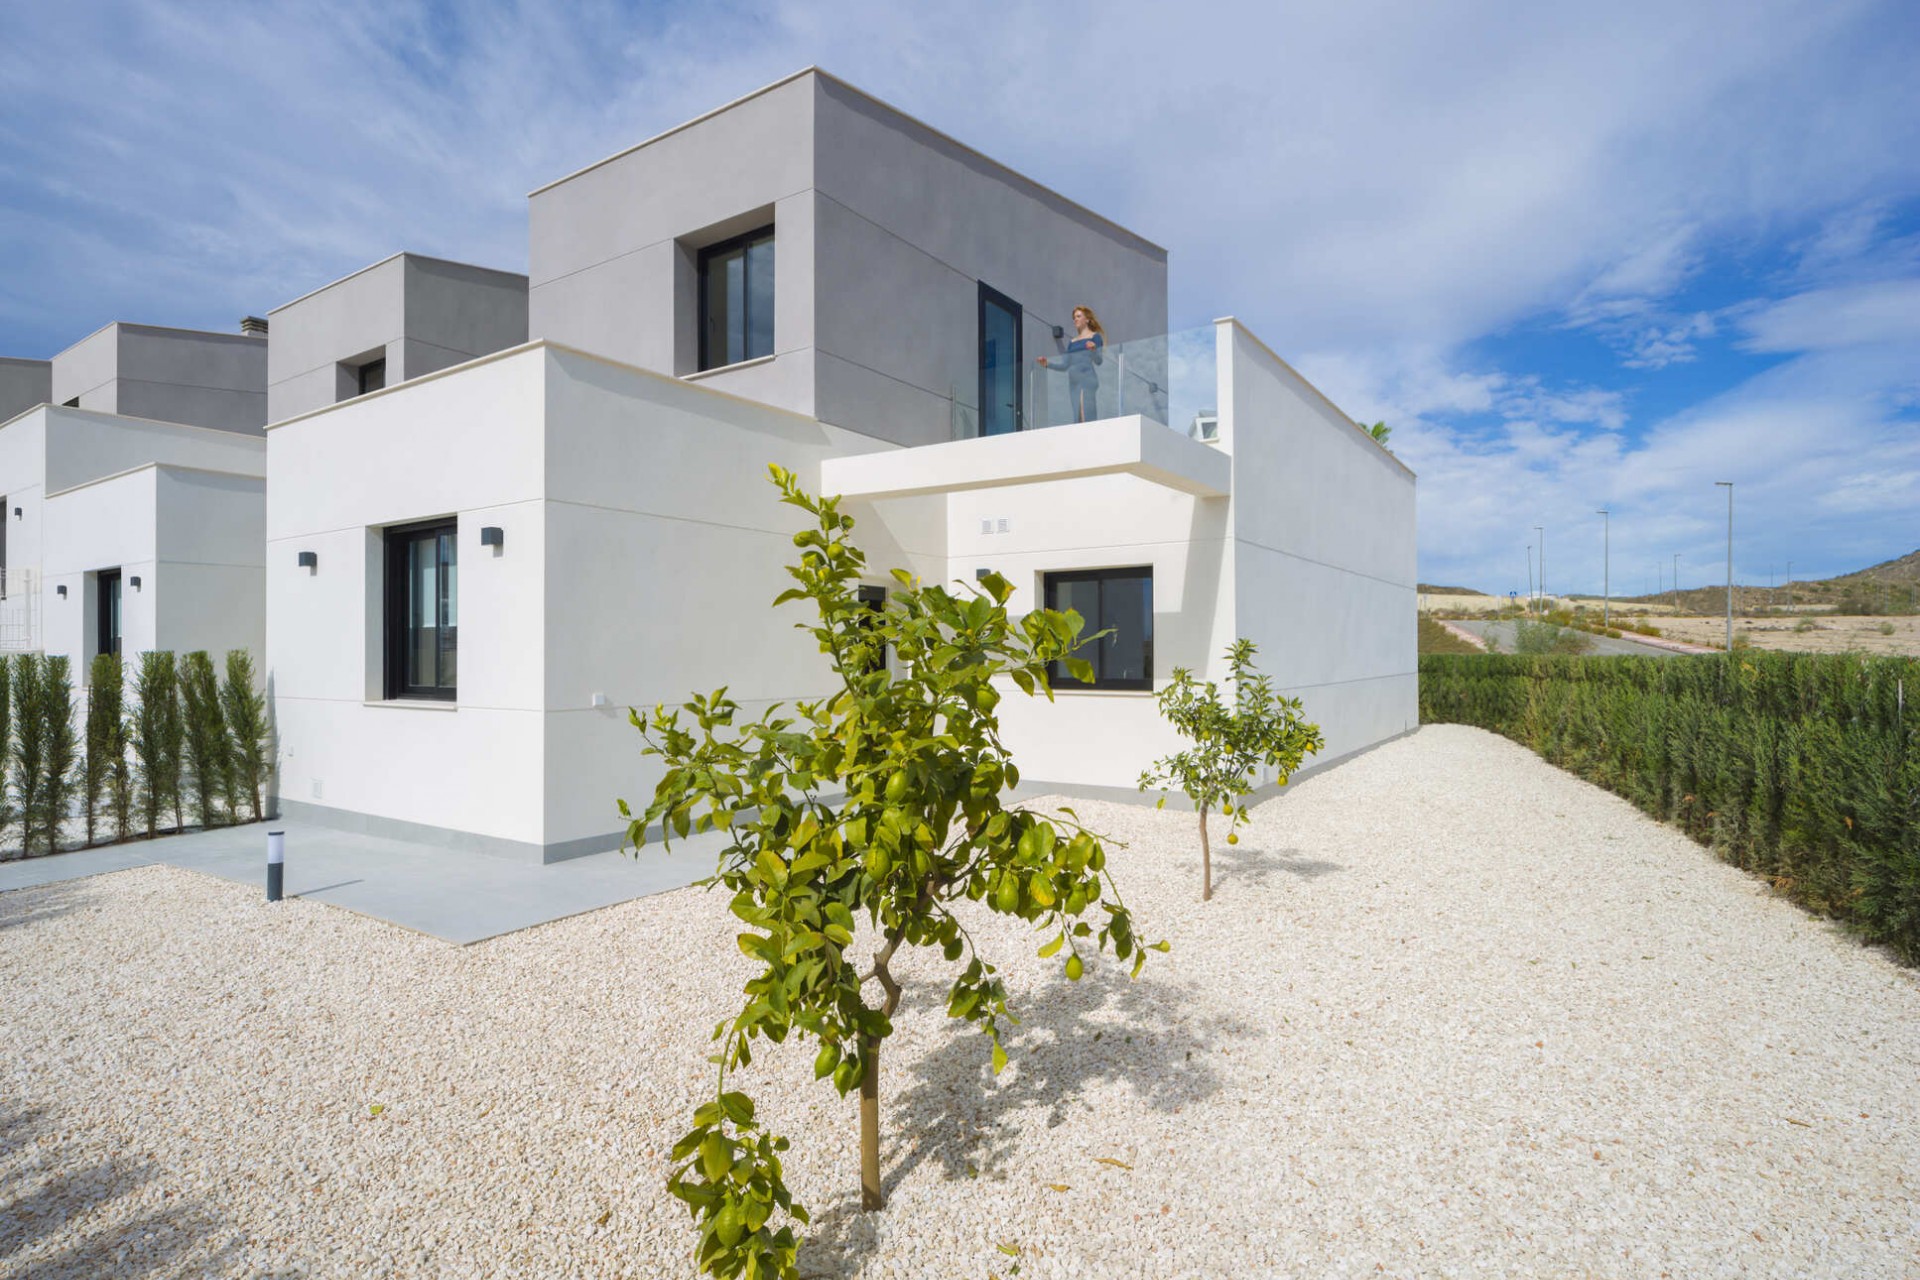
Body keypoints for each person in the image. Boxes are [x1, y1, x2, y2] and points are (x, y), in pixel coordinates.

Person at [1037, 305, 1106, 423]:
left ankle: (1090, 438)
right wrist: (1048, 364)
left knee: (1086, 414)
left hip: (1087, 379)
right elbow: (1065, 366)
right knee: (1077, 415)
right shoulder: (1072, 342)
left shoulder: (1095, 337)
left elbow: (1099, 361)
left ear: (1087, 320)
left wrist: (1094, 349)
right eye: (1074, 318)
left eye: (1079, 316)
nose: (1075, 319)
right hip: (1074, 382)